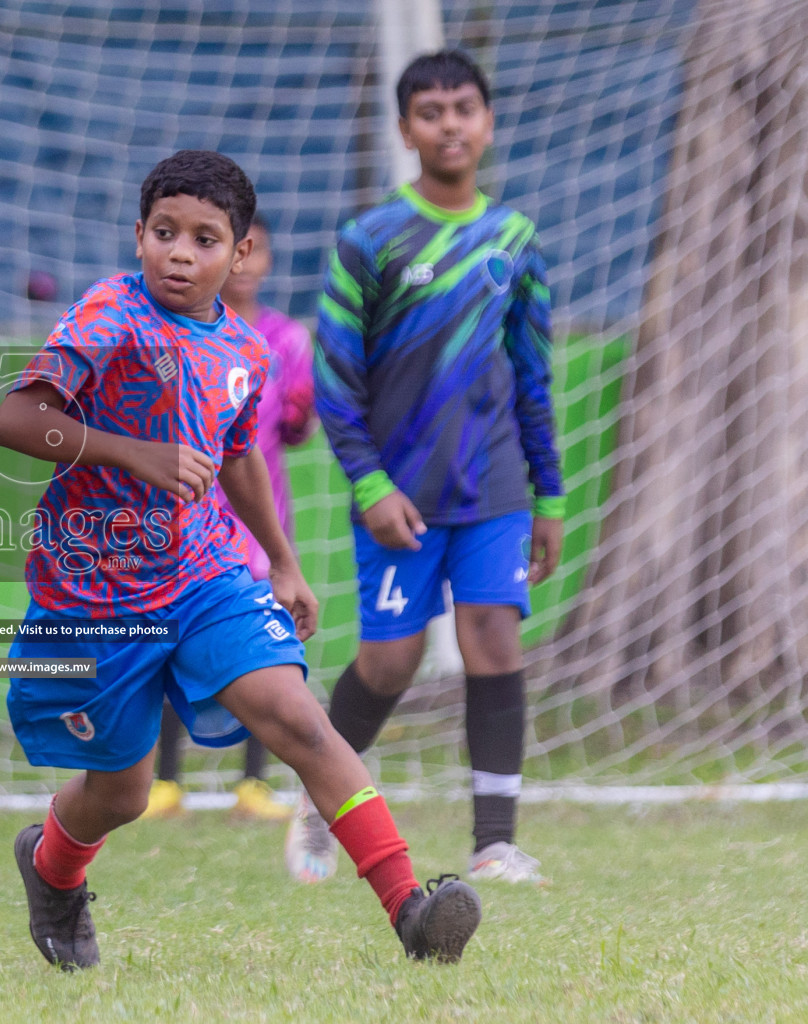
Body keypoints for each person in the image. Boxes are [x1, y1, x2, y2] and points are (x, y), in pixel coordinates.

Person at [0, 149, 480, 970]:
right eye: (164, 232)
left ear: (241, 251)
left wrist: (282, 564)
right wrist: (135, 453)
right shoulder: (109, 313)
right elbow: (13, 420)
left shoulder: (246, 350)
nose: (181, 252)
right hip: (95, 595)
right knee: (122, 793)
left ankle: (411, 909)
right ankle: (52, 870)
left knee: (299, 718)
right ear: (138, 235)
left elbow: (240, 452)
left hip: (206, 574)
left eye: (205, 238)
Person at [297, 50, 564, 887]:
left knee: (492, 636)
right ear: (406, 128)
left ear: (487, 122)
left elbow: (532, 376)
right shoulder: (368, 240)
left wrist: (549, 496)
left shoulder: (515, 240)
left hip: (493, 490)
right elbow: (334, 379)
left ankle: (495, 842)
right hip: (398, 498)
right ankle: (316, 806)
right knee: (391, 662)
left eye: (464, 108)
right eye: (431, 111)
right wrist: (371, 486)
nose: (450, 124)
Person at [143, 215, 318, 824]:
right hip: (187, 512)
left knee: (261, 644)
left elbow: (293, 431)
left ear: (258, 258)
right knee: (169, 641)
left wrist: (300, 413)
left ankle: (253, 784)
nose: (245, 264)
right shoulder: (173, 332)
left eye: (258, 251)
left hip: (255, 514)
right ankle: (165, 782)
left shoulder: (287, 339)